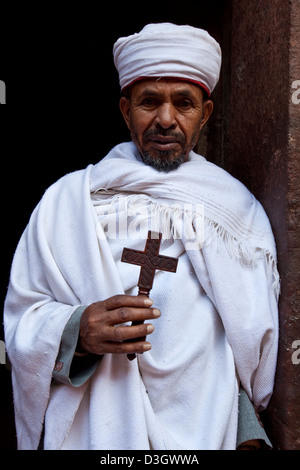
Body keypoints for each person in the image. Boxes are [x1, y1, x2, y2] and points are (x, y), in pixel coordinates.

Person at [4, 23, 279, 450]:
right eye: (149, 101)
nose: (165, 120)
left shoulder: (237, 215)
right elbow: (21, 320)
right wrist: (78, 330)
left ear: (204, 114)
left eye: (183, 104)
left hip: (205, 436)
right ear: (125, 110)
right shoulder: (65, 204)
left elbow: (245, 348)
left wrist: (248, 432)